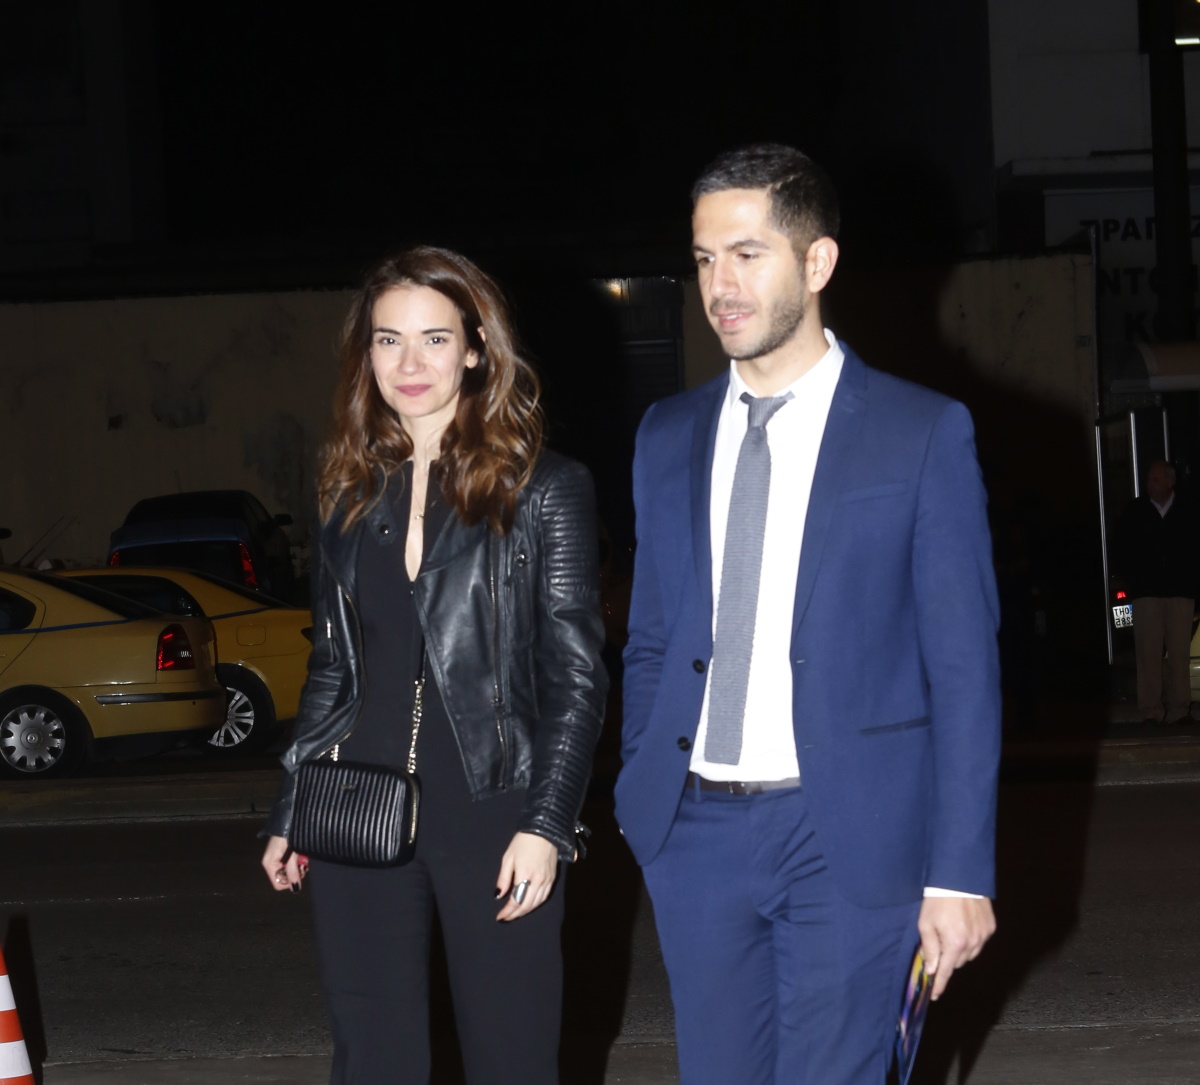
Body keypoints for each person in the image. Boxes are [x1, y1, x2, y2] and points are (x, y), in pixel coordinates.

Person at [614, 144, 1001, 1084]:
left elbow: (963, 668)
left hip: (848, 837)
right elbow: (653, 636)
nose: (721, 285)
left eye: (748, 254)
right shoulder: (666, 435)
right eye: (705, 259)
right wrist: (643, 787)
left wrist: (960, 870)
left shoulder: (921, 429)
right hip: (693, 832)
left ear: (817, 261)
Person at [260, 246, 607, 1085]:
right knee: (371, 1058)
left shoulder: (543, 489)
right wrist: (294, 803)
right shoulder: (347, 490)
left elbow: (576, 678)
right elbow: (332, 667)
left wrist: (548, 823)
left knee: (512, 1056)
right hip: (357, 805)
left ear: (477, 349)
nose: (409, 364)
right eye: (388, 340)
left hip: (496, 811)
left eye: (434, 339)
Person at [1118, 459, 1199, 725]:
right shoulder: (1136, 510)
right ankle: (1151, 710)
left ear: (1170, 481)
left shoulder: (1187, 509)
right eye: (1149, 479)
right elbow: (1123, 547)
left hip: (1180, 590)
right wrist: (1134, 579)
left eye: (1155, 479)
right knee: (1148, 653)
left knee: (1179, 653)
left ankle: (1180, 709)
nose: (1150, 484)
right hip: (1147, 592)